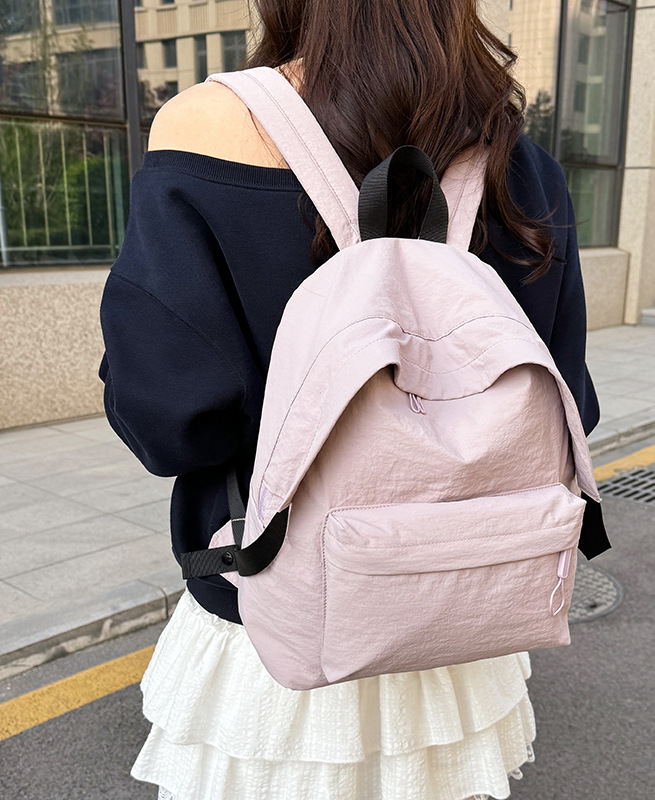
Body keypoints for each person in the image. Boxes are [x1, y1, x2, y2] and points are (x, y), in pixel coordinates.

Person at [99, 1, 601, 797]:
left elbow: (171, 423)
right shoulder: (519, 159)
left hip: (272, 619)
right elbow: (572, 406)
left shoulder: (208, 127)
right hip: (462, 616)